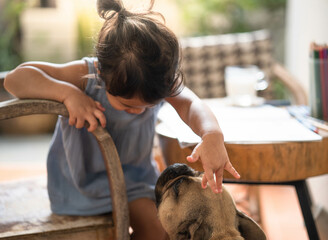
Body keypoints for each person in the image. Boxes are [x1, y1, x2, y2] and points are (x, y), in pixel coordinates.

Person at [4, 0, 240, 239]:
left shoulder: (157, 79)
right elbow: (15, 79)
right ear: (102, 75)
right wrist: (68, 94)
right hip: (79, 187)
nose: (139, 111)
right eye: (127, 105)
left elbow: (191, 104)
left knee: (158, 233)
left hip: (134, 181)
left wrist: (212, 135)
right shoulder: (87, 76)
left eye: (149, 106)